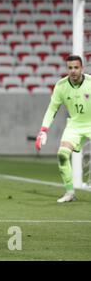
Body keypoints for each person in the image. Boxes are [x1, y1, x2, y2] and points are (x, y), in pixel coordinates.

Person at [36, 54, 91, 203]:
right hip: (74, 125)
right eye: (70, 68)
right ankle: (70, 193)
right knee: (62, 155)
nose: (73, 71)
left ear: (82, 68)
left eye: (76, 68)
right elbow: (51, 109)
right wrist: (43, 130)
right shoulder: (61, 86)